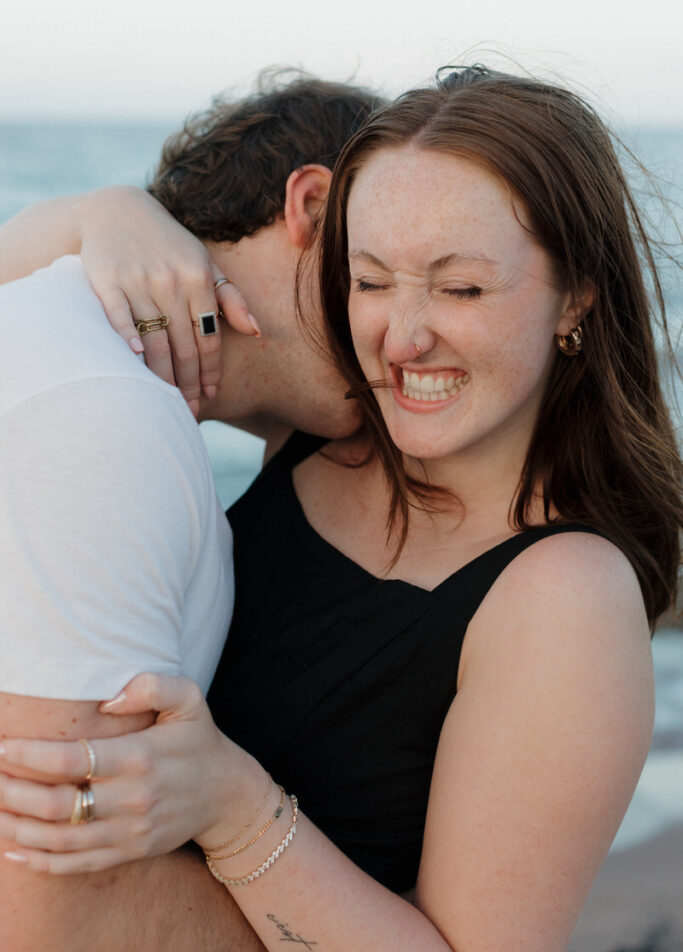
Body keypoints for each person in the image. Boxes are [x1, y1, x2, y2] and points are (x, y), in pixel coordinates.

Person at [1, 66, 681, 952]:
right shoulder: (323, 433)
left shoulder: (567, 597)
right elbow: (39, 317)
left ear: (575, 300)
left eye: (460, 289)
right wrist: (110, 217)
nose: (401, 338)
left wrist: (232, 804)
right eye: (370, 281)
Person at [0, 73, 383, 952]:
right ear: (313, 207)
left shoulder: (64, 344)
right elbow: (50, 904)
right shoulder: (103, 413)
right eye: (385, 268)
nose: (405, 327)